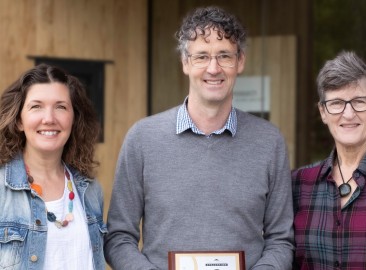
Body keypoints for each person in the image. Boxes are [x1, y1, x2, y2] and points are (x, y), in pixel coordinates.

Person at [104, 5, 294, 270]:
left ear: (240, 62)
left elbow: (281, 240)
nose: (213, 68)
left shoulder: (269, 142)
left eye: (224, 56)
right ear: (185, 63)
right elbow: (118, 237)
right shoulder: (143, 139)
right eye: (202, 56)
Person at [292, 51, 366, 269]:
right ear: (323, 112)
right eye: (336, 103)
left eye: (359, 101)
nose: (349, 114)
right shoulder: (297, 184)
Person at [0, 64, 107, 269]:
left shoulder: (91, 190)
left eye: (60, 107)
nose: (49, 119)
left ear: (74, 119)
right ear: (19, 120)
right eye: (36, 106)